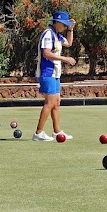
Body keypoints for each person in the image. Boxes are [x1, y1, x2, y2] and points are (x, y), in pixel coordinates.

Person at [33, 11, 77, 142]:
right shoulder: (48, 34)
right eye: (64, 25)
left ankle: (57, 131)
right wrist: (64, 58)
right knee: (50, 103)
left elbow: (68, 43)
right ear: (57, 22)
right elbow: (46, 53)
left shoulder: (57, 35)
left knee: (56, 103)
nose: (64, 27)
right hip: (47, 72)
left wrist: (71, 29)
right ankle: (38, 132)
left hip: (55, 73)